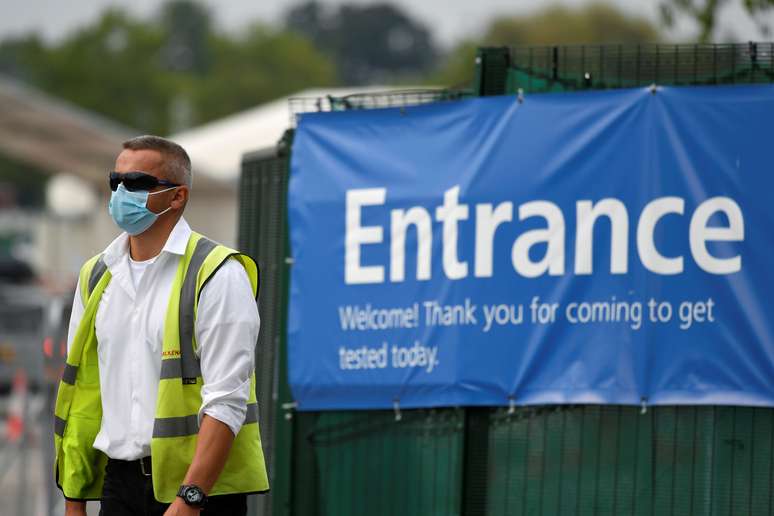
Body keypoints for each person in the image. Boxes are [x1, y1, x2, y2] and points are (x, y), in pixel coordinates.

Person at [54, 136, 269, 516]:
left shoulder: (218, 274)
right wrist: (74, 500)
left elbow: (226, 402)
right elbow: (85, 399)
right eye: (115, 182)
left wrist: (190, 499)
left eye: (136, 183)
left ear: (177, 197)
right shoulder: (95, 276)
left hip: (199, 492)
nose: (122, 193)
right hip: (117, 487)